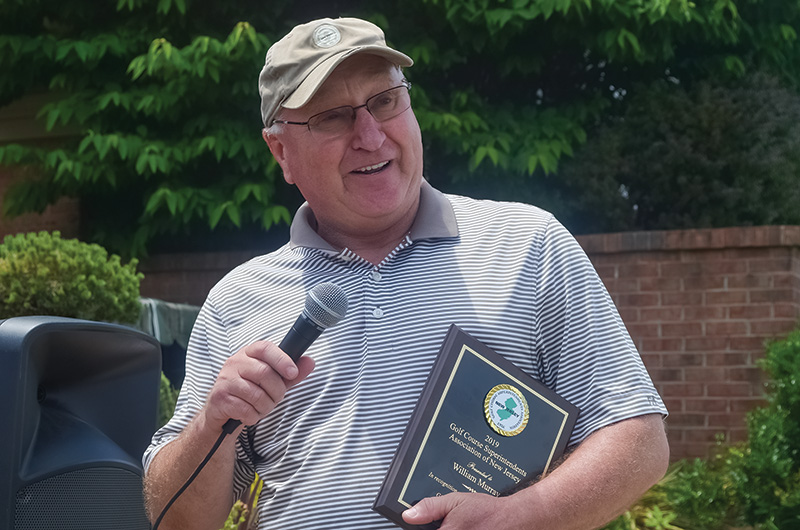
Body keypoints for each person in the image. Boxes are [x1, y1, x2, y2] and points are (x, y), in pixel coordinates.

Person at [143, 16, 669, 530]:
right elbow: (178, 520)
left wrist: (520, 517)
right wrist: (212, 425)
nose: (370, 136)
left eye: (384, 101)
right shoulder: (237, 300)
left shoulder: (528, 244)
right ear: (281, 150)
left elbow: (638, 439)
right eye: (331, 117)